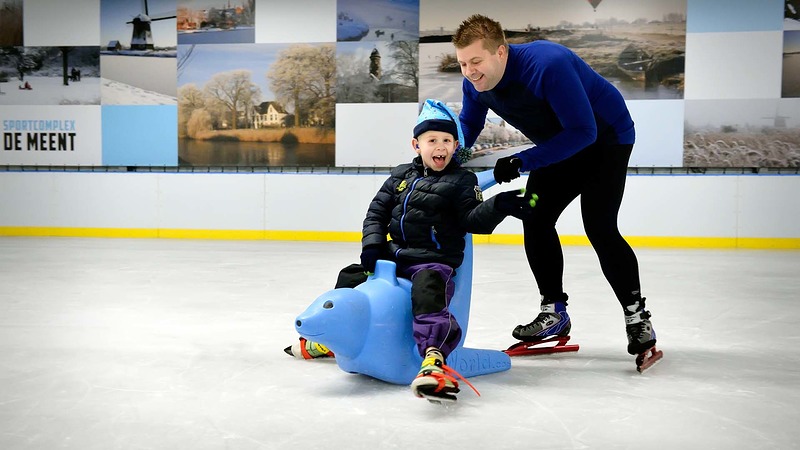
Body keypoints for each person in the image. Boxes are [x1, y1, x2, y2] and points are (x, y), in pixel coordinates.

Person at [285, 99, 538, 401]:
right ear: (417, 144)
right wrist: (373, 247)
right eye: (432, 140)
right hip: (393, 256)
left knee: (427, 289)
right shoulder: (401, 176)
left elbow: (472, 220)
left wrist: (498, 206)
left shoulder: (461, 181)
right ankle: (331, 341)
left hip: (434, 261)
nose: (440, 147)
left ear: (455, 145)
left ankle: (433, 359)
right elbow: (376, 214)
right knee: (350, 276)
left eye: (446, 140)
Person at [452, 14, 658, 364]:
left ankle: (637, 317)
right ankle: (554, 312)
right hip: (558, 146)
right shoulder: (475, 84)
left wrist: (521, 161)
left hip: (606, 142)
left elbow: (583, 132)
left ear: (500, 52)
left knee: (600, 226)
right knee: (534, 215)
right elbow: (470, 122)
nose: (469, 71)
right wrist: (452, 154)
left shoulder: (548, 65)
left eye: (476, 61)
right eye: (461, 64)